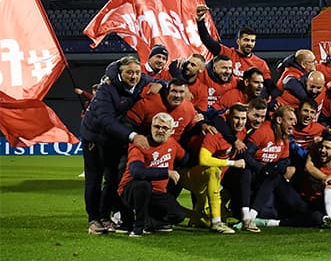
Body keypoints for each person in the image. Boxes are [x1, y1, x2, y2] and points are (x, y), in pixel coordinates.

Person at [80, 56, 164, 235]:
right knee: (94, 179)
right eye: (129, 73)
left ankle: (104, 216)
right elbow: (106, 120)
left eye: (137, 72)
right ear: (120, 73)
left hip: (115, 139)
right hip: (94, 138)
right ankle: (93, 219)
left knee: (112, 180)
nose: (134, 76)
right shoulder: (106, 89)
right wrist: (132, 136)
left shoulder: (142, 80)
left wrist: (161, 85)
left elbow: (160, 80)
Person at [117, 112, 192, 236]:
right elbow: (137, 171)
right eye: (157, 127)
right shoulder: (140, 144)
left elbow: (186, 159)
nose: (160, 130)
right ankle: (138, 228)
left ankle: (149, 223)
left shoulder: (172, 143)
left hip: (157, 193)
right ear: (151, 127)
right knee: (143, 184)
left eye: (165, 128)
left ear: (171, 131)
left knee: (178, 215)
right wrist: (166, 173)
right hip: (131, 192)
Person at [184, 103, 249, 233]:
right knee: (213, 170)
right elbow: (204, 160)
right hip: (192, 175)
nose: (240, 122)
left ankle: (197, 217)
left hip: (213, 181)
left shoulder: (242, 132)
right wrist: (232, 163)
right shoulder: (214, 133)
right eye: (236, 118)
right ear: (228, 116)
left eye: (243, 119)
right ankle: (216, 223)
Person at [195, 4, 272, 82]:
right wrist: (200, 21)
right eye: (246, 40)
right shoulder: (227, 53)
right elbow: (207, 41)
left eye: (252, 41)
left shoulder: (261, 64)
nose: (249, 43)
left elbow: (268, 85)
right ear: (238, 41)